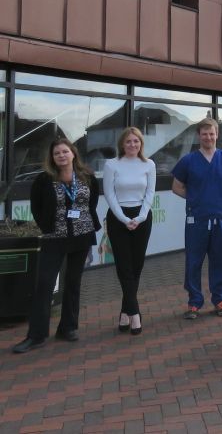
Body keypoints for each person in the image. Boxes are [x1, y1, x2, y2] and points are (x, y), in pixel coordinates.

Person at [12, 138, 101, 353]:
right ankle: (37, 335)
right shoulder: (44, 179)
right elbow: (36, 206)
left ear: (73, 154)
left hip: (81, 235)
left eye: (64, 152)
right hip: (54, 237)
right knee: (44, 284)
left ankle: (68, 327)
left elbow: (92, 202)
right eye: (56, 153)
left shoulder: (87, 177)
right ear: (52, 158)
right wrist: (47, 226)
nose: (61, 156)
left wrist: (83, 222)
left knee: (73, 283)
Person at [172, 118, 222, 320]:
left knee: (220, 259)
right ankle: (194, 302)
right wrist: (195, 199)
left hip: (219, 218)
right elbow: (176, 187)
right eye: (204, 134)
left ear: (217, 135)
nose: (208, 137)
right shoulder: (188, 161)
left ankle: (220, 299)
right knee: (194, 261)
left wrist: (214, 201)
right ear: (198, 136)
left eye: (212, 133)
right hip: (197, 219)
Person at [103, 127, 156, 335]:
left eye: (136, 141)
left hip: (142, 217)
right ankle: (134, 314)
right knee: (124, 266)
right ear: (122, 144)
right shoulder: (111, 164)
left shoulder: (149, 164)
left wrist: (141, 217)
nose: (132, 145)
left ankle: (125, 312)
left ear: (141, 143)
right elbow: (109, 194)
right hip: (118, 219)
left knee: (136, 266)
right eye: (128, 142)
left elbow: (150, 192)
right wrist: (124, 219)